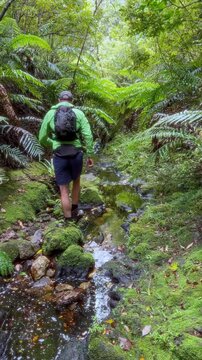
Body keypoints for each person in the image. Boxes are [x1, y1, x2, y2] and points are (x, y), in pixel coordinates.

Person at [39, 90, 94, 221]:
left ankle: (68, 220)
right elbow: (88, 135)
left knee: (63, 188)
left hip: (59, 154)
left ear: (59, 100)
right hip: (76, 152)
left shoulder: (51, 113)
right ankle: (75, 208)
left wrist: (53, 143)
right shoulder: (79, 113)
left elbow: (41, 137)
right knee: (76, 181)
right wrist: (90, 154)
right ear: (72, 100)